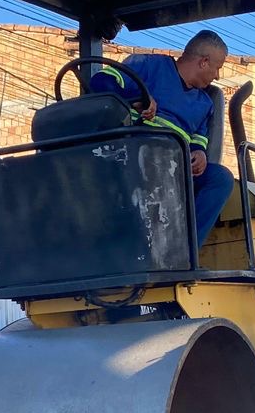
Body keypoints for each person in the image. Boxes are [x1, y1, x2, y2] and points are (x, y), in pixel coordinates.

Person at [90, 30, 234, 249]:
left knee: (221, 178)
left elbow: (198, 139)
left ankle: (184, 251)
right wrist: (136, 99)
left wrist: (199, 153)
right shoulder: (147, 66)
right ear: (204, 62)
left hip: (175, 168)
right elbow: (101, 82)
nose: (217, 76)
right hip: (133, 156)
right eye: (218, 67)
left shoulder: (204, 103)